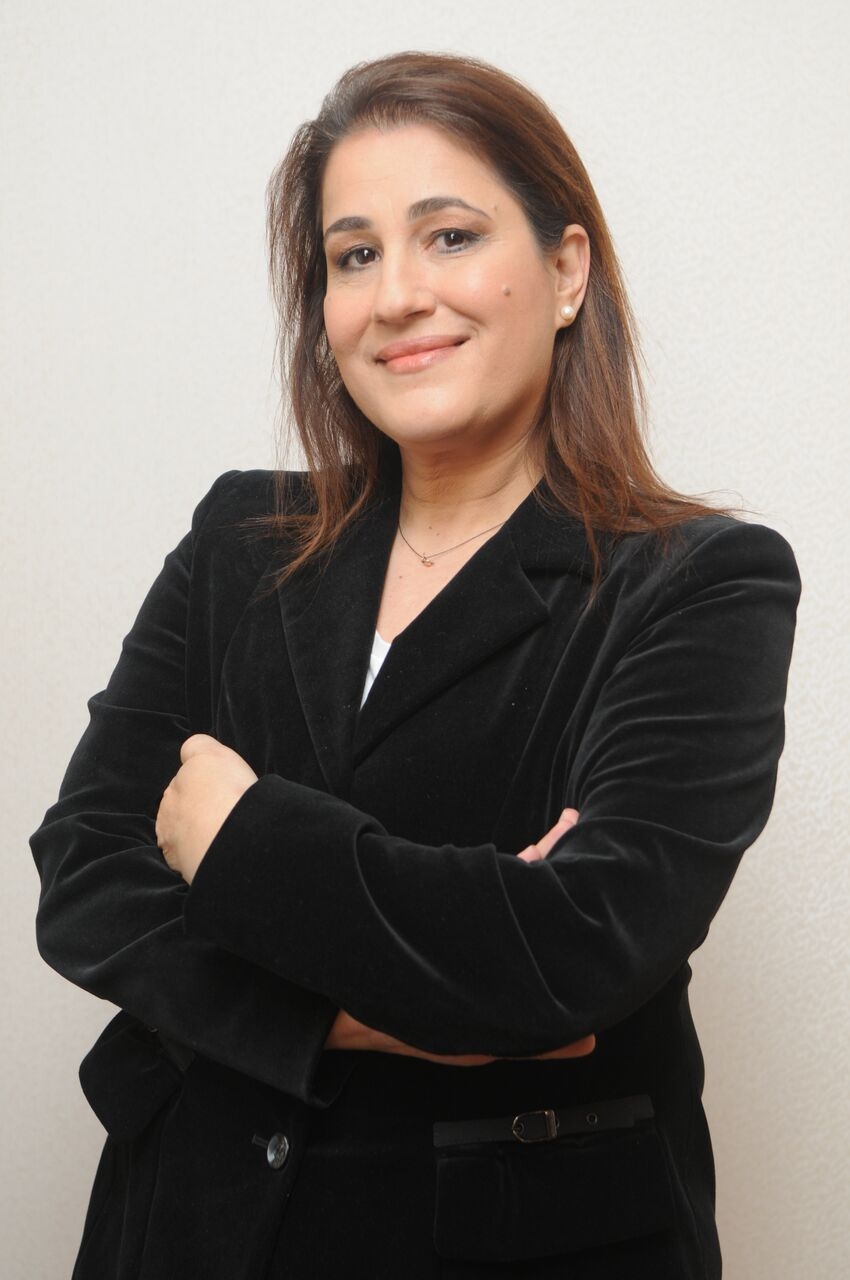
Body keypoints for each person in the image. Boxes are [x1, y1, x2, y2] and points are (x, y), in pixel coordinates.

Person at [31, 51, 799, 1280]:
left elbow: (572, 949)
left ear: (565, 269)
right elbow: (85, 873)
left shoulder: (701, 582)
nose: (394, 295)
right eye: (353, 255)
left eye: (448, 236)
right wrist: (382, 1010)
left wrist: (235, 836)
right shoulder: (239, 537)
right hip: (189, 1227)